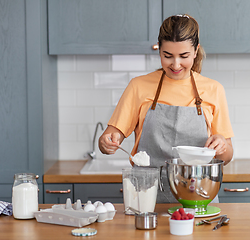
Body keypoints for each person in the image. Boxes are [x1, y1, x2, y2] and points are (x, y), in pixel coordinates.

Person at [99, 14, 234, 203]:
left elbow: (227, 156)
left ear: (195, 51)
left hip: (198, 196)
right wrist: (107, 142)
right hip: (147, 197)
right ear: (159, 50)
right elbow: (109, 138)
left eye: (184, 56)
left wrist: (221, 145)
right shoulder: (139, 86)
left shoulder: (213, 89)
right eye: (167, 56)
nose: (176, 64)